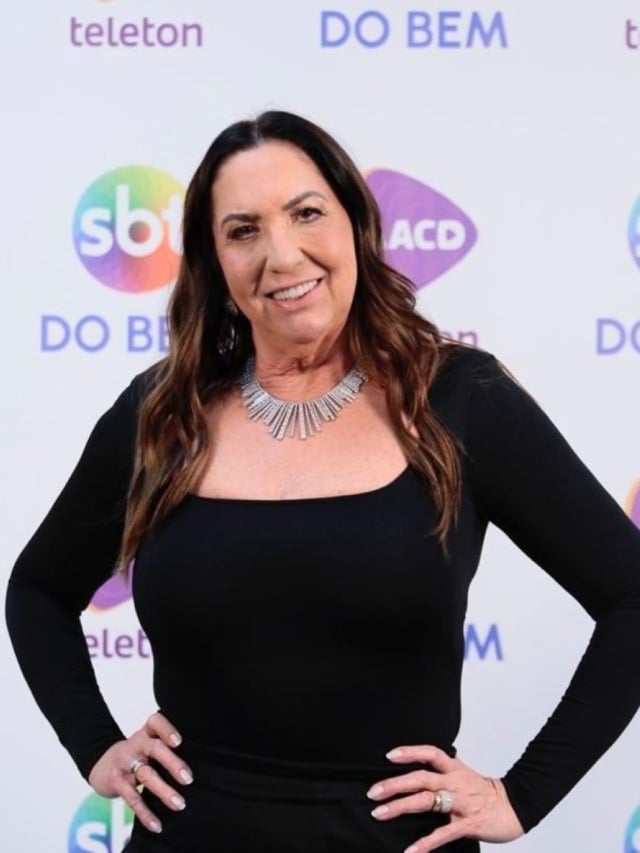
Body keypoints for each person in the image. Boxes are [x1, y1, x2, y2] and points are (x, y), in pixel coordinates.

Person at [6, 110, 640, 853]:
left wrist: (524, 795)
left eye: (306, 213)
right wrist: (95, 743)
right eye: (243, 230)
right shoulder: (163, 414)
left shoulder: (463, 400)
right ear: (214, 261)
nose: (281, 255)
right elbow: (38, 592)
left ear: (356, 224)